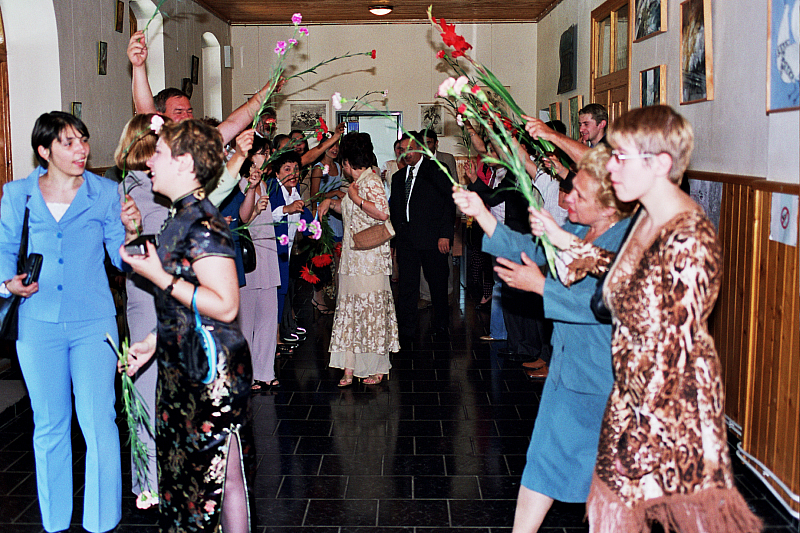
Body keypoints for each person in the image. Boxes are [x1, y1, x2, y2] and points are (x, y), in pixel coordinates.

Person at [528, 105, 762, 533]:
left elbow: (660, 325)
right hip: (630, 397)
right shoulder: (646, 217)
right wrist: (564, 240)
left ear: (660, 165)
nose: (609, 166)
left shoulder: (689, 233)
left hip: (670, 408)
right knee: (610, 517)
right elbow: (624, 275)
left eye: (621, 157)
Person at [455, 146, 634, 532]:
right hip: (566, 373)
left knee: (610, 484)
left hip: (605, 378)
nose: (566, 199)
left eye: (578, 196)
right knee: (542, 463)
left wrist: (542, 289)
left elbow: (607, 305)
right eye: (568, 191)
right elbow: (533, 250)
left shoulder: (625, 242)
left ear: (608, 206)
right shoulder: (575, 227)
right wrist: (482, 213)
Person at [0, 111, 140, 533]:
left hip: (93, 322)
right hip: (37, 324)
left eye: (83, 140)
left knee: (98, 421)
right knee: (49, 425)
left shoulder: (106, 192)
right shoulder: (17, 194)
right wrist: (8, 283)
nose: (81, 149)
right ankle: (55, 521)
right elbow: (5, 248)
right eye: (68, 143)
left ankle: (101, 521)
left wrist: (132, 232)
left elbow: (122, 259)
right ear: (44, 151)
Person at [119, 118, 252, 533]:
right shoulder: (179, 218)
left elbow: (225, 306)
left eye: (157, 154)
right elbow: (187, 307)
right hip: (181, 365)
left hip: (209, 371)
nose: (149, 162)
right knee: (190, 483)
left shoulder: (203, 223)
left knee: (218, 481)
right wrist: (152, 343)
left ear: (185, 163)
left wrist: (159, 277)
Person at [116, 112, 174, 509]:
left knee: (164, 388)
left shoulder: (157, 182)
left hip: (169, 293)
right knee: (149, 386)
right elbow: (130, 251)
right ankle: (150, 480)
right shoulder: (135, 188)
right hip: (149, 296)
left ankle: (161, 475)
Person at [319, 132, 399, 385]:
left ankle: (377, 368)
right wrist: (331, 203)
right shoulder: (356, 183)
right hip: (353, 260)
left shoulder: (371, 181)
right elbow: (348, 211)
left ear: (347, 161)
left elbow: (382, 214)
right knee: (350, 312)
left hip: (371, 261)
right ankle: (349, 368)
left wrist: (356, 199)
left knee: (370, 311)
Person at [390, 132, 455, 343]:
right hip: (407, 240)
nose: (405, 154)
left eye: (409, 149)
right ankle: (407, 328)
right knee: (407, 285)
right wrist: (394, 239)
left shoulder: (435, 170)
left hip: (432, 239)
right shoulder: (398, 178)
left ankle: (441, 326)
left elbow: (449, 203)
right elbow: (396, 211)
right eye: (402, 150)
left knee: (437, 285)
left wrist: (445, 234)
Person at [238, 135, 282, 392]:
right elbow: (242, 220)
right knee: (247, 319)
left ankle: (265, 370)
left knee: (268, 315)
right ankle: (247, 373)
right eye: (262, 153)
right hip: (248, 255)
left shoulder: (263, 184)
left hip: (267, 254)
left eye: (267, 153)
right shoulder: (241, 183)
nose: (266, 157)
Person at [523, 103, 608, 163]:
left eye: (586, 124)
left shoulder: (610, 148)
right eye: (580, 124)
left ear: (601, 124)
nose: (581, 129)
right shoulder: (589, 146)